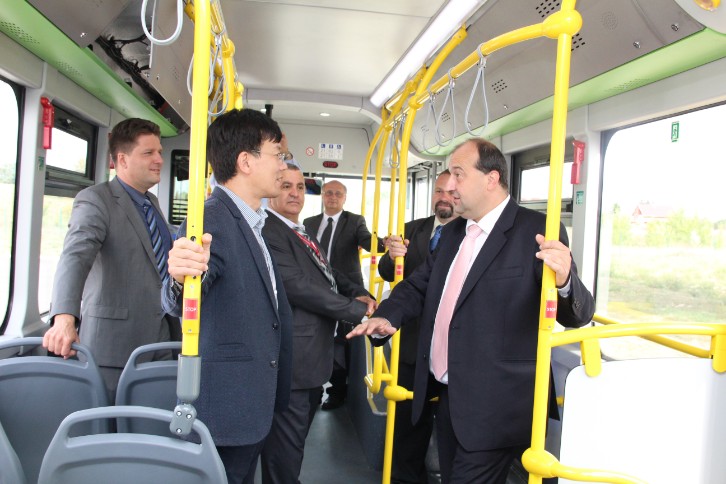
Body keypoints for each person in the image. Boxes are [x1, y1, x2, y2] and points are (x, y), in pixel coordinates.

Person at [348, 139, 595, 484]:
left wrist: (566, 279)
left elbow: (577, 315)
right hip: (450, 397)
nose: (450, 186)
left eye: (458, 175)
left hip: (499, 403)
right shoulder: (452, 234)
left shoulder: (536, 231)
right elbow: (418, 286)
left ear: (491, 179)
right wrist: (388, 316)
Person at [161, 108, 293, 484]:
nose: (284, 167)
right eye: (278, 155)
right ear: (246, 162)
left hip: (248, 399)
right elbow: (180, 298)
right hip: (227, 407)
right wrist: (179, 276)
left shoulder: (252, 221)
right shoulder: (211, 219)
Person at [43, 118, 179, 400]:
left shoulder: (150, 203)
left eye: (159, 152)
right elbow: (75, 256)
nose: (159, 160)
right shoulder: (96, 200)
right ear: (122, 160)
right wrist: (64, 318)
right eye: (148, 153)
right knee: (109, 423)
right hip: (115, 346)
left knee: (153, 421)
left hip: (161, 337)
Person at [260, 163, 376, 484]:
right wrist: (357, 311)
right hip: (294, 359)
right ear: (270, 189)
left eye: (300, 187)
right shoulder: (270, 230)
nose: (295, 193)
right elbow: (299, 286)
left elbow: (327, 272)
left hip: (312, 359)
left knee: (294, 442)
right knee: (285, 448)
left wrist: (357, 292)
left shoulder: (300, 229)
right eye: (286, 186)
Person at [377, 169, 458, 484]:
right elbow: (387, 273)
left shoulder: (470, 235)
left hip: (451, 349)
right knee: (409, 427)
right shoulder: (411, 229)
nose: (444, 198)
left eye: (451, 192)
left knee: (452, 431)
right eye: (439, 191)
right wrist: (391, 256)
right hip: (412, 344)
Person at [303, 180, 385, 410]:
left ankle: (338, 391)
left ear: (345, 198)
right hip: (316, 288)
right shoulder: (309, 223)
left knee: (341, 343)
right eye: (329, 193)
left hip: (346, 289)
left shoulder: (354, 221)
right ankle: (314, 388)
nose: (333, 197)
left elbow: (368, 241)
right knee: (314, 337)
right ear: (322, 196)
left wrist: (384, 244)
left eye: (338, 194)